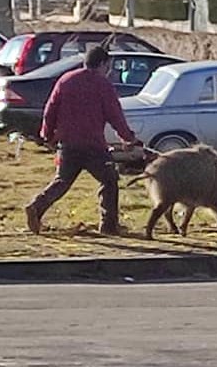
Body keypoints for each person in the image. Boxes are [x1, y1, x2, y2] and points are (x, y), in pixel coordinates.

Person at [25, 46, 141, 235]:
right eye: (108, 67)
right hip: (93, 145)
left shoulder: (66, 80)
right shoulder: (103, 85)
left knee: (62, 181)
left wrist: (46, 134)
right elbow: (115, 115)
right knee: (110, 181)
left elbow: (50, 109)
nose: (108, 71)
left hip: (68, 143)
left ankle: (36, 207)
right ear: (103, 64)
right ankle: (109, 226)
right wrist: (128, 138)